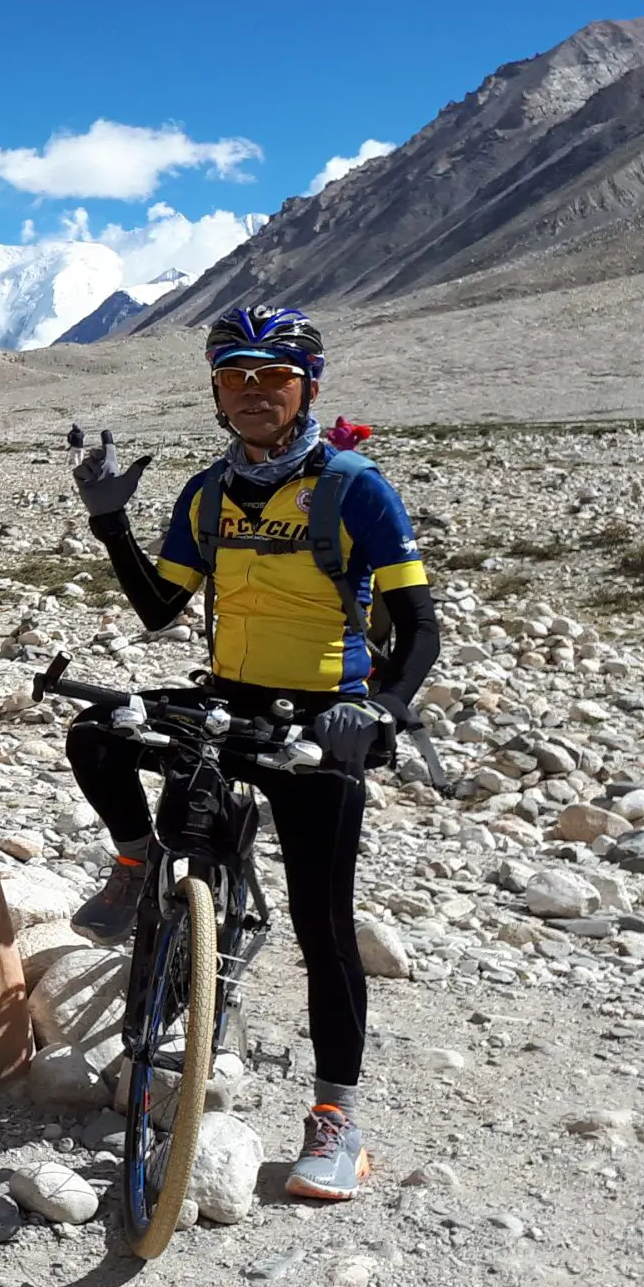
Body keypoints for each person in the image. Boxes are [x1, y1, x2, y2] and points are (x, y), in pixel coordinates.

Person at [64, 304, 438, 1204]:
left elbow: (420, 626)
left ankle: (336, 1118)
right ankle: (137, 864)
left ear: (307, 384)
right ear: (217, 393)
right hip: (227, 699)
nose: (254, 394)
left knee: (323, 925)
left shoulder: (355, 488)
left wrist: (381, 710)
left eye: (272, 377)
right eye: (236, 377)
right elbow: (163, 611)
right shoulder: (205, 493)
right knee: (95, 731)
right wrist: (111, 524)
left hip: (323, 716)